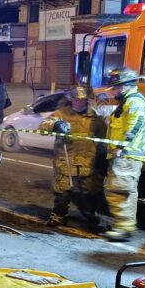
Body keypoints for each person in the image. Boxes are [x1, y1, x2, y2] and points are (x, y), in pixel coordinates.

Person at [39, 86, 107, 227]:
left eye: (82, 99)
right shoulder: (61, 114)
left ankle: (90, 215)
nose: (79, 102)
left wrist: (103, 157)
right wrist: (56, 125)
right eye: (76, 99)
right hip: (66, 161)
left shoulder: (94, 118)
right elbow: (43, 127)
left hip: (87, 162)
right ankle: (58, 216)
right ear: (71, 99)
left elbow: (104, 138)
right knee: (62, 192)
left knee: (89, 192)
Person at [102, 67, 145, 241]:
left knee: (119, 190)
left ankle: (123, 228)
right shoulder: (128, 101)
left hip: (127, 155)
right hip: (125, 154)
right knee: (124, 190)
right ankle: (123, 225)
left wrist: (121, 147)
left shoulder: (134, 102)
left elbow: (133, 127)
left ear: (123, 87)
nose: (113, 92)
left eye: (114, 88)